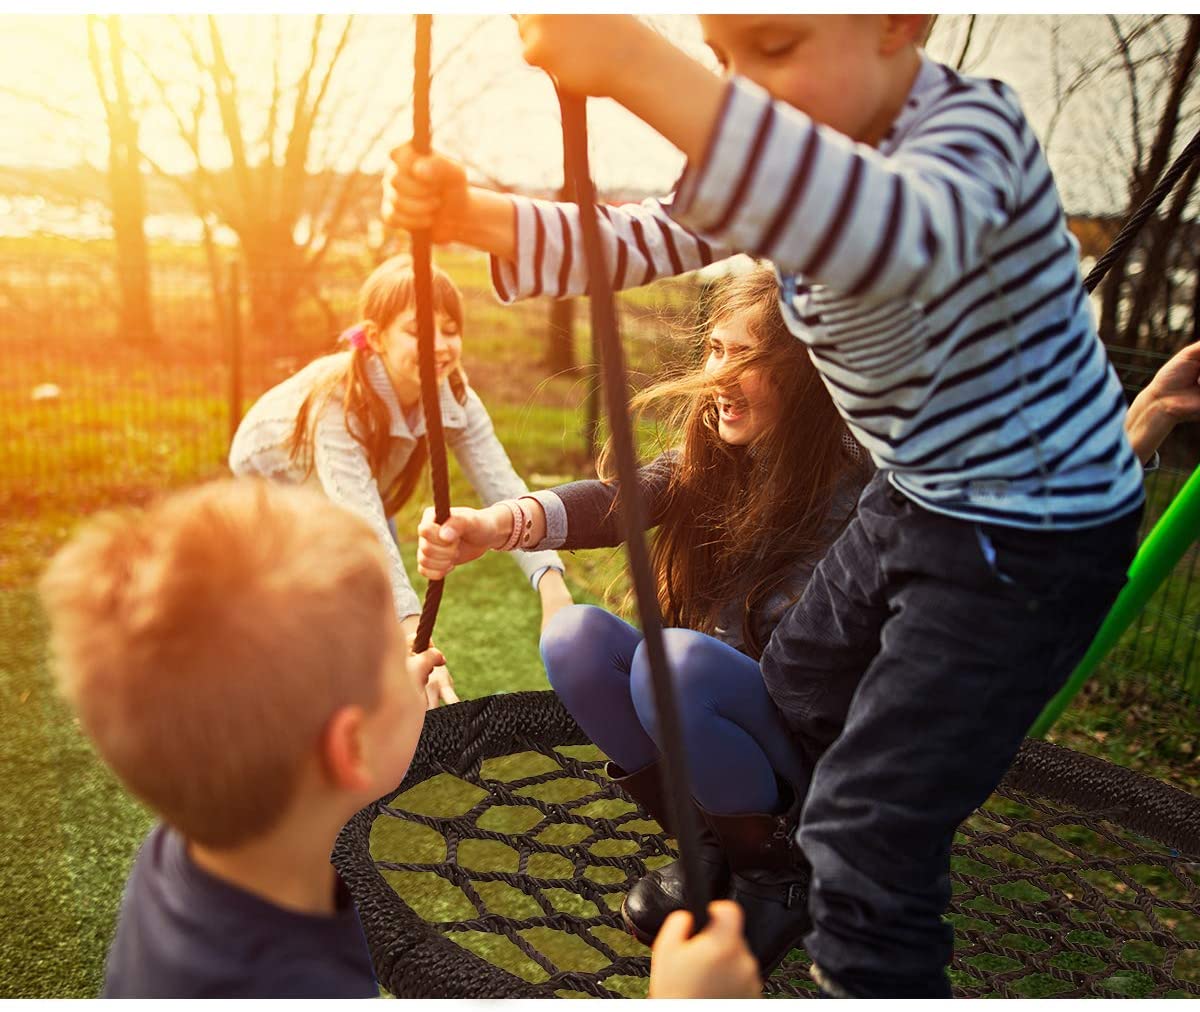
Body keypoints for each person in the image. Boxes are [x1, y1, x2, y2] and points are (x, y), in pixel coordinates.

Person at [384, 15, 1147, 996]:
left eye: (773, 48)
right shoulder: (788, 160)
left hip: (1028, 531)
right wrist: (473, 215)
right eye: (722, 61)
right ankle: (750, 847)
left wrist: (632, 64)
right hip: (923, 492)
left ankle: (841, 884)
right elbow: (645, 232)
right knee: (797, 679)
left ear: (898, 25)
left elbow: (885, 232)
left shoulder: (970, 139)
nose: (744, 87)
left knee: (867, 832)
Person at [416, 264, 867, 951]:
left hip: (811, 760)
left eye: (747, 358)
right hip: (716, 711)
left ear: (807, 372)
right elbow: (620, 499)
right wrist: (495, 525)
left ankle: (778, 874)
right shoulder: (717, 459)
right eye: (715, 349)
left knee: (676, 663)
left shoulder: (853, 491)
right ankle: (708, 847)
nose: (719, 375)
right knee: (576, 640)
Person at [39, 479, 443, 997]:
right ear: (352, 747)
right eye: (395, 653)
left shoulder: (184, 847)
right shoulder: (300, 989)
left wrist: (388, 703)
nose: (412, 662)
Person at [229, 255, 572, 708]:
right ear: (376, 338)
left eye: (449, 329)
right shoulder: (336, 404)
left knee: (382, 595)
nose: (440, 345)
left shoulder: (454, 397)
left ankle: (377, 691)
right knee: (337, 586)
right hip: (273, 478)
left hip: (363, 481)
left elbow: (503, 487)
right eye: (418, 331)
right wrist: (415, 636)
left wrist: (553, 587)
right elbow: (364, 523)